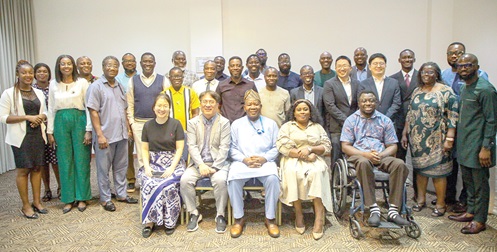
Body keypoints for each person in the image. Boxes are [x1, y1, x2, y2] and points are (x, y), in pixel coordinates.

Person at [341, 90, 410, 227]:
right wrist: (365, 155)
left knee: (400, 164)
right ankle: (373, 208)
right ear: (359, 103)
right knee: (364, 163)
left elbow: (393, 146)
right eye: (364, 101)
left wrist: (381, 155)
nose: (368, 103)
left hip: (381, 155)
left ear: (376, 103)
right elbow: (345, 146)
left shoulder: (385, 120)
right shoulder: (351, 120)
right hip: (359, 156)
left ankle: (393, 210)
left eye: (371, 100)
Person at [448, 54, 497, 234]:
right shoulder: (465, 88)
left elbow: (492, 121)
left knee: (480, 184)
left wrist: (486, 147)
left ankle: (480, 219)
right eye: (460, 66)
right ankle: (471, 211)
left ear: (477, 66)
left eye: (468, 65)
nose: (463, 69)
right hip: (464, 144)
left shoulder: (486, 90)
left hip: (479, 146)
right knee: (468, 182)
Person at [401, 62, 458, 217]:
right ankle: (420, 200)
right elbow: (410, 113)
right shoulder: (417, 91)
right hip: (417, 140)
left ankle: (440, 204)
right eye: (424, 72)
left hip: (438, 139)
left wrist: (450, 137)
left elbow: (453, 115)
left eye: (430, 72)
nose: (427, 75)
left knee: (439, 172)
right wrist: (405, 133)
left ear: (437, 74)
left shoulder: (446, 91)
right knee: (420, 171)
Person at [441, 42, 489, 213]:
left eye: (459, 54)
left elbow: (489, 117)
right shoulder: (451, 78)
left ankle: (473, 210)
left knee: (475, 176)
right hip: (456, 132)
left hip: (474, 135)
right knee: (459, 169)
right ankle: (458, 203)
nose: (455, 57)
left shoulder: (483, 83)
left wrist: (486, 145)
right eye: (451, 54)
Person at [86, 56, 138, 212]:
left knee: (121, 167)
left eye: (115, 66)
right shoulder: (96, 87)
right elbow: (93, 111)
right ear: (103, 67)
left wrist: (128, 129)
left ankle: (121, 194)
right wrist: (100, 135)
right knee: (103, 168)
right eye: (109, 65)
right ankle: (105, 198)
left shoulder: (120, 86)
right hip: (106, 136)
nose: (112, 68)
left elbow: (124, 109)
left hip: (121, 135)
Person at [277, 99, 332, 240]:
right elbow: (283, 147)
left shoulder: (317, 127)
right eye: (299, 109)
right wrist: (304, 155)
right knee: (292, 172)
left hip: (315, 158)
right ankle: (298, 214)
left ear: (310, 112)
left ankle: (319, 217)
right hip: (293, 158)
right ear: (293, 113)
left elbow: (327, 146)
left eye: (305, 109)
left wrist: (311, 149)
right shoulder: (287, 127)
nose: (302, 112)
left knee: (317, 172)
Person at [228, 90, 280, 238]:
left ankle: (270, 219)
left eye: (256, 104)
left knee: (273, 179)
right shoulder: (236, 124)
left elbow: (277, 147)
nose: (253, 107)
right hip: (243, 162)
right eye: (249, 104)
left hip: (265, 162)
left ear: (260, 106)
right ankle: (238, 218)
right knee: (233, 179)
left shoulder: (271, 124)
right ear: (244, 107)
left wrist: (264, 159)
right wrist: (245, 159)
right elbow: (232, 148)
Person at [0, 60, 48, 219]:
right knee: (23, 170)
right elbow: (3, 117)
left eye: (30, 73)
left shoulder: (38, 92)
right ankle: (26, 206)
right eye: (24, 73)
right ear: (17, 74)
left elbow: (45, 112)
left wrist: (40, 116)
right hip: (21, 137)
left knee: (37, 168)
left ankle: (37, 202)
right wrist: (28, 117)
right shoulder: (9, 93)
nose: (28, 75)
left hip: (37, 136)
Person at [180, 91, 231, 233]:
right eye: (205, 102)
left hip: (218, 164)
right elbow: (192, 146)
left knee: (221, 181)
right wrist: (201, 165)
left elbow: (224, 147)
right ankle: (194, 213)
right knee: (185, 180)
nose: (208, 105)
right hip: (198, 164)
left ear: (217, 104)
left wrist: (214, 167)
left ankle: (220, 214)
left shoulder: (224, 123)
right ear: (200, 104)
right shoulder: (192, 122)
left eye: (211, 102)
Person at [47, 55, 92, 214]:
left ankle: (82, 197)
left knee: (81, 159)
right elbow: (51, 109)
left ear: (73, 66)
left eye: (68, 64)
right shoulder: (53, 84)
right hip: (60, 122)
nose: (66, 66)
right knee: (65, 161)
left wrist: (88, 129)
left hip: (79, 119)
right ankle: (68, 198)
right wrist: (50, 131)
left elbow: (88, 107)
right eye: (62, 64)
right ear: (58, 66)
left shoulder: (82, 82)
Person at [138, 93, 186, 238]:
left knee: (168, 184)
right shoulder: (147, 126)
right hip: (153, 163)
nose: (162, 109)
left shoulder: (176, 124)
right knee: (148, 182)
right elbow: (145, 149)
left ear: (169, 108)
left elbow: (179, 149)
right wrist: (147, 167)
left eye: (165, 106)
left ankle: (169, 221)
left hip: (174, 163)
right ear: (154, 108)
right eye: (159, 105)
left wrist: (171, 168)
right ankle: (149, 222)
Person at [126, 52, 168, 192]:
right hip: (139, 123)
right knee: (142, 155)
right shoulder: (133, 80)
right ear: (141, 63)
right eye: (145, 61)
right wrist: (131, 122)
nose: (148, 64)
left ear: (155, 63)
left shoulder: (163, 80)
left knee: (158, 152)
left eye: (151, 61)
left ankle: (159, 182)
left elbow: (168, 103)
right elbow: (130, 103)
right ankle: (145, 183)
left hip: (158, 124)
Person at [323, 56, 359, 165]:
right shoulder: (329, 84)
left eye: (344, 66)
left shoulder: (357, 83)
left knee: (356, 154)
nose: (342, 69)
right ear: (335, 68)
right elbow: (330, 105)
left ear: (350, 68)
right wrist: (347, 120)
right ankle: (335, 179)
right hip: (337, 127)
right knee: (336, 155)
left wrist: (354, 120)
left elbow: (359, 104)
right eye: (339, 66)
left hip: (356, 126)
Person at [33, 63, 60, 202]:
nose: (42, 74)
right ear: (34, 74)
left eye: (45, 71)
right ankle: (47, 189)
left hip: (54, 128)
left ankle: (61, 187)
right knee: (43, 161)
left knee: (56, 160)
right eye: (39, 71)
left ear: (49, 73)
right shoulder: (32, 90)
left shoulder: (54, 87)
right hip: (37, 130)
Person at [115, 53, 139, 194]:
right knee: (127, 152)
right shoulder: (118, 80)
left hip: (142, 119)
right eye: (127, 61)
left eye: (132, 61)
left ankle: (146, 178)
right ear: (122, 63)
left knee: (144, 151)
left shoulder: (141, 78)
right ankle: (130, 180)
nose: (130, 63)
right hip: (125, 119)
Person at [390, 49, 418, 162]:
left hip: (417, 121)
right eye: (404, 57)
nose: (407, 59)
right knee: (400, 157)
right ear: (399, 60)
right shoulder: (392, 79)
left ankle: (416, 180)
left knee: (418, 158)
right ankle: (401, 180)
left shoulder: (421, 76)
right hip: (399, 122)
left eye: (410, 57)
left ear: (414, 59)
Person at [358, 53, 401, 121]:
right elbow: (361, 104)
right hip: (369, 122)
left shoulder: (394, 83)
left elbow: (396, 104)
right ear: (369, 67)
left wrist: (385, 118)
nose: (378, 66)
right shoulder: (363, 84)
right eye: (375, 63)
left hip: (389, 122)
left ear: (385, 65)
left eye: (381, 63)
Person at [216, 56, 257, 123]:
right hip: (226, 124)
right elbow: (216, 104)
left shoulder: (250, 85)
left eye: (238, 66)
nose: (235, 68)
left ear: (242, 68)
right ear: (229, 68)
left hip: (246, 124)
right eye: (232, 66)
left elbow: (256, 104)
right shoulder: (221, 85)